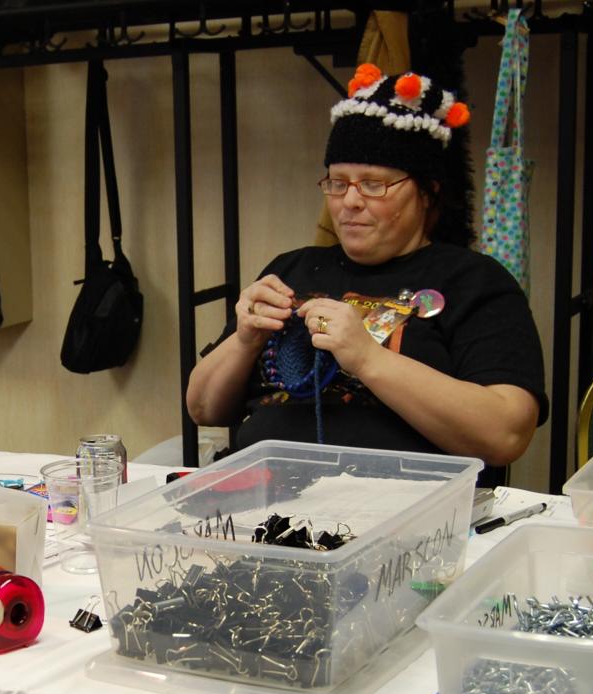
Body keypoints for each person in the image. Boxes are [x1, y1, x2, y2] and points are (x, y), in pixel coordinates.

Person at [185, 64, 547, 486]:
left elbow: (507, 433)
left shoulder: (475, 281)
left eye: (374, 184)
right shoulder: (291, 269)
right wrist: (245, 341)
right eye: (338, 183)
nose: (350, 202)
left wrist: (367, 359)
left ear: (428, 192)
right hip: (264, 499)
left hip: (407, 510)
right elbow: (203, 408)